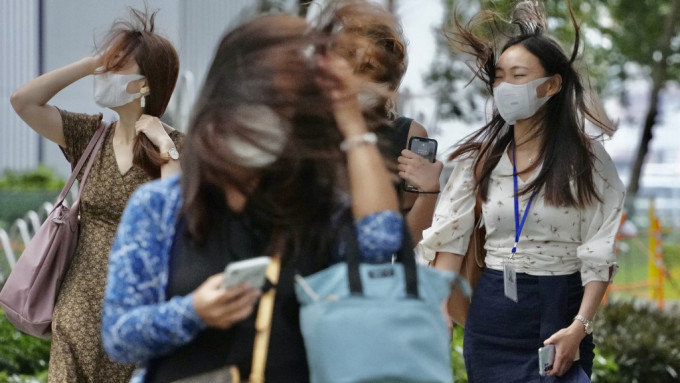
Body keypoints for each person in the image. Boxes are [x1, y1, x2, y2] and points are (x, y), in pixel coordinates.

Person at [101, 13, 403, 382]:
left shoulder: (317, 209)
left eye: (284, 103)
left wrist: (351, 121)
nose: (266, 116)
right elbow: (119, 338)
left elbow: (382, 241)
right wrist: (194, 311)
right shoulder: (161, 206)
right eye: (256, 97)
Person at [417, 1, 625, 381]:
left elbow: (600, 250)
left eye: (518, 76)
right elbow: (452, 240)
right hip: (493, 312)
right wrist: (439, 309)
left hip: (561, 309)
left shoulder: (588, 160)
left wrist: (580, 326)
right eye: (499, 77)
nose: (504, 87)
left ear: (551, 85)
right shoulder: (478, 161)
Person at [9, 7, 182, 382]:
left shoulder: (172, 148)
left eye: (118, 67)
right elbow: (23, 101)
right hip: (78, 307)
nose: (106, 74)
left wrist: (164, 144)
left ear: (145, 84)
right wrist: (91, 64)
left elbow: (178, 209)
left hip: (136, 309)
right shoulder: (90, 137)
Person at [324, 0, 444, 243]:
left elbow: (406, 239)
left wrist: (428, 192)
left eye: (369, 69)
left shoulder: (406, 134)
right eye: (348, 64)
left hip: (371, 273)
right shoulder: (308, 129)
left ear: (390, 82)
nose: (356, 80)